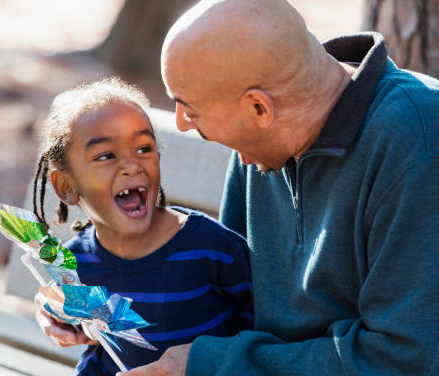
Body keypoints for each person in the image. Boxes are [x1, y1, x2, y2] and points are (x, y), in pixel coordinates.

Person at [117, 0, 439, 375]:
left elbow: (402, 360)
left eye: (190, 110)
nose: (183, 124)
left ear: (259, 108)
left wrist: (210, 366)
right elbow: (229, 298)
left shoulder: (418, 144)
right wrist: (102, 311)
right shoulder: (262, 144)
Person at [32, 77, 254, 375]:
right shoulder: (74, 263)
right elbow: (76, 323)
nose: (131, 165)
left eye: (143, 148)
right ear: (66, 186)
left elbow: (261, 329)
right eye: (106, 155)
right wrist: (58, 312)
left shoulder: (214, 249)